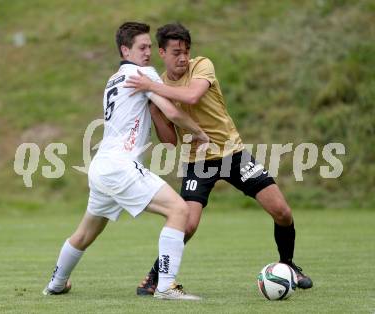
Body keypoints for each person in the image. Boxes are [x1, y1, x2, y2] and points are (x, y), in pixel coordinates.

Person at [124, 23, 313, 295]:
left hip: (232, 154)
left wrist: (153, 87)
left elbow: (192, 95)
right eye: (176, 52)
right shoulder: (160, 86)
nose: (183, 58)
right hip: (197, 162)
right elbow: (169, 141)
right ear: (162, 53)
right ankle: (155, 276)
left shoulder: (202, 65)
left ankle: (288, 266)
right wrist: (155, 111)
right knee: (186, 224)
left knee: (282, 212)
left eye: (186, 51)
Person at [42, 22, 210, 301]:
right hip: (120, 166)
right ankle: (166, 287)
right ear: (125, 50)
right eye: (142, 48)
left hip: (101, 167)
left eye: (148, 47)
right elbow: (171, 110)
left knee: (84, 234)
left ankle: (56, 284)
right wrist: (200, 133)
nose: (148, 53)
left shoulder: (113, 79)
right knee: (180, 211)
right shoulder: (142, 73)